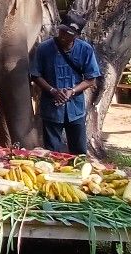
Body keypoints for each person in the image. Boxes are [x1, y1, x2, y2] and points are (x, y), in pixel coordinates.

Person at [30, 11, 101, 155]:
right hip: (51, 108)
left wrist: (72, 91)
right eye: (62, 31)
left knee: (79, 152)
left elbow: (91, 79)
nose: (63, 36)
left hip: (75, 110)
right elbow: (35, 75)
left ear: (76, 35)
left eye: (68, 34)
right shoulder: (44, 48)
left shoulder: (85, 49)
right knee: (53, 153)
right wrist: (53, 91)